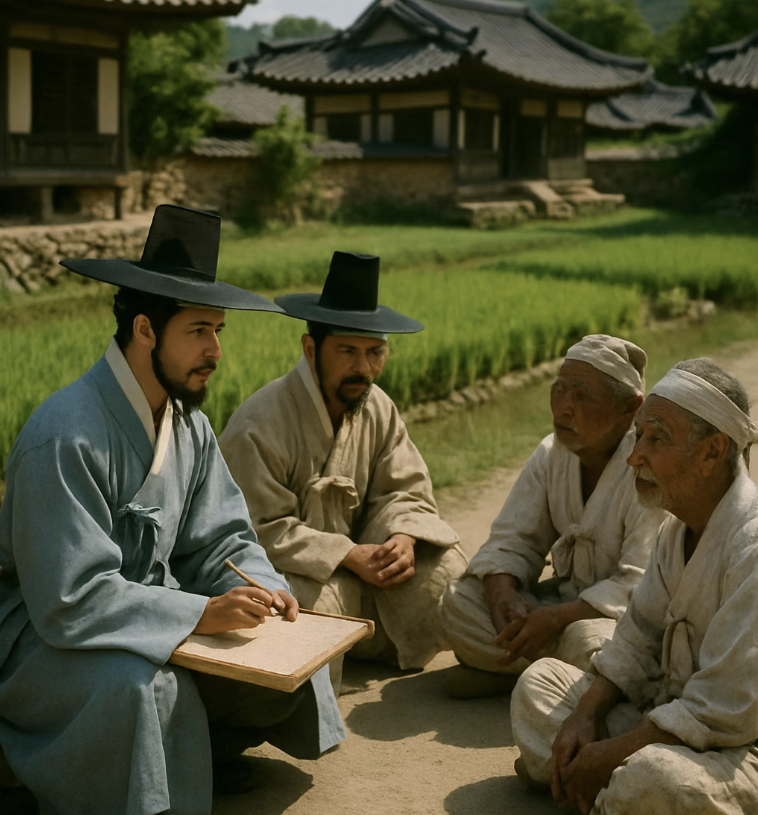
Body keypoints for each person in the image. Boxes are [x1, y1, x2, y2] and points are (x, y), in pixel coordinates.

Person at [0, 205, 345, 815]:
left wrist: (264, 588)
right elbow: (68, 597)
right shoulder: (66, 434)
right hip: (43, 635)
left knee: (289, 654)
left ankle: (190, 755)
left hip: (148, 612)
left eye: (219, 331)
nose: (215, 350)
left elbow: (222, 541)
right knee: (141, 687)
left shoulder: (190, 426)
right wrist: (197, 613)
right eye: (199, 332)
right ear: (144, 329)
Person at [511, 358, 758, 815]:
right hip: (670, 718)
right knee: (538, 687)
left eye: (656, 438)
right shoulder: (676, 529)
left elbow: (724, 706)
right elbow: (637, 637)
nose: (634, 455)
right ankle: (601, 788)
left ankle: (591, 783)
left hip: (739, 748)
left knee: (655, 778)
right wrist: (585, 717)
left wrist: (614, 752)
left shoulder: (751, 545)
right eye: (639, 434)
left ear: (711, 451)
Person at [219, 251, 467, 692]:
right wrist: (347, 555)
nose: (364, 368)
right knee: (315, 602)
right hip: (297, 574)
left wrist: (403, 538)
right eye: (348, 351)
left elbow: (405, 490)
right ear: (311, 349)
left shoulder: (378, 407)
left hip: (367, 578)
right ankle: (313, 685)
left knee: (448, 572)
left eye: (376, 353)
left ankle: (374, 647)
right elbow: (254, 529)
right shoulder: (261, 422)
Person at [439, 335, 665, 698]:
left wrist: (557, 619)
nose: (563, 407)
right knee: (457, 601)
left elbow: (638, 589)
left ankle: (516, 672)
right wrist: (503, 598)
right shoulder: (551, 454)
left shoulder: (649, 470)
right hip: (556, 610)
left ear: (630, 408)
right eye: (558, 390)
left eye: (581, 395)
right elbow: (512, 539)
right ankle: (556, 681)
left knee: (595, 643)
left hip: (609, 625)